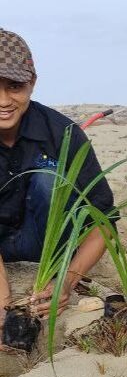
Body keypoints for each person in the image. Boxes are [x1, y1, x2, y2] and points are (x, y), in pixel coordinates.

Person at [0, 28, 116, 339]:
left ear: (32, 83)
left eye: (14, 86)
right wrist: (3, 299)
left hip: (46, 247)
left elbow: (104, 222)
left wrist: (67, 279)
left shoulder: (63, 134)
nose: (4, 100)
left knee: (49, 180)